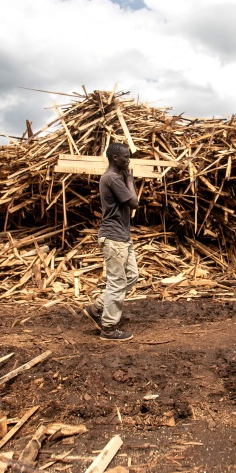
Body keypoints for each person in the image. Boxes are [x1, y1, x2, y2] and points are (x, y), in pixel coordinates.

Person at [82, 142, 139, 342]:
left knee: (132, 275)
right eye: (126, 156)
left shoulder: (115, 177)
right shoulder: (113, 178)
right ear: (115, 158)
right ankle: (108, 327)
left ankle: (96, 308)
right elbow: (134, 203)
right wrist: (130, 180)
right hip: (114, 237)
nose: (128, 159)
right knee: (117, 282)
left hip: (121, 236)